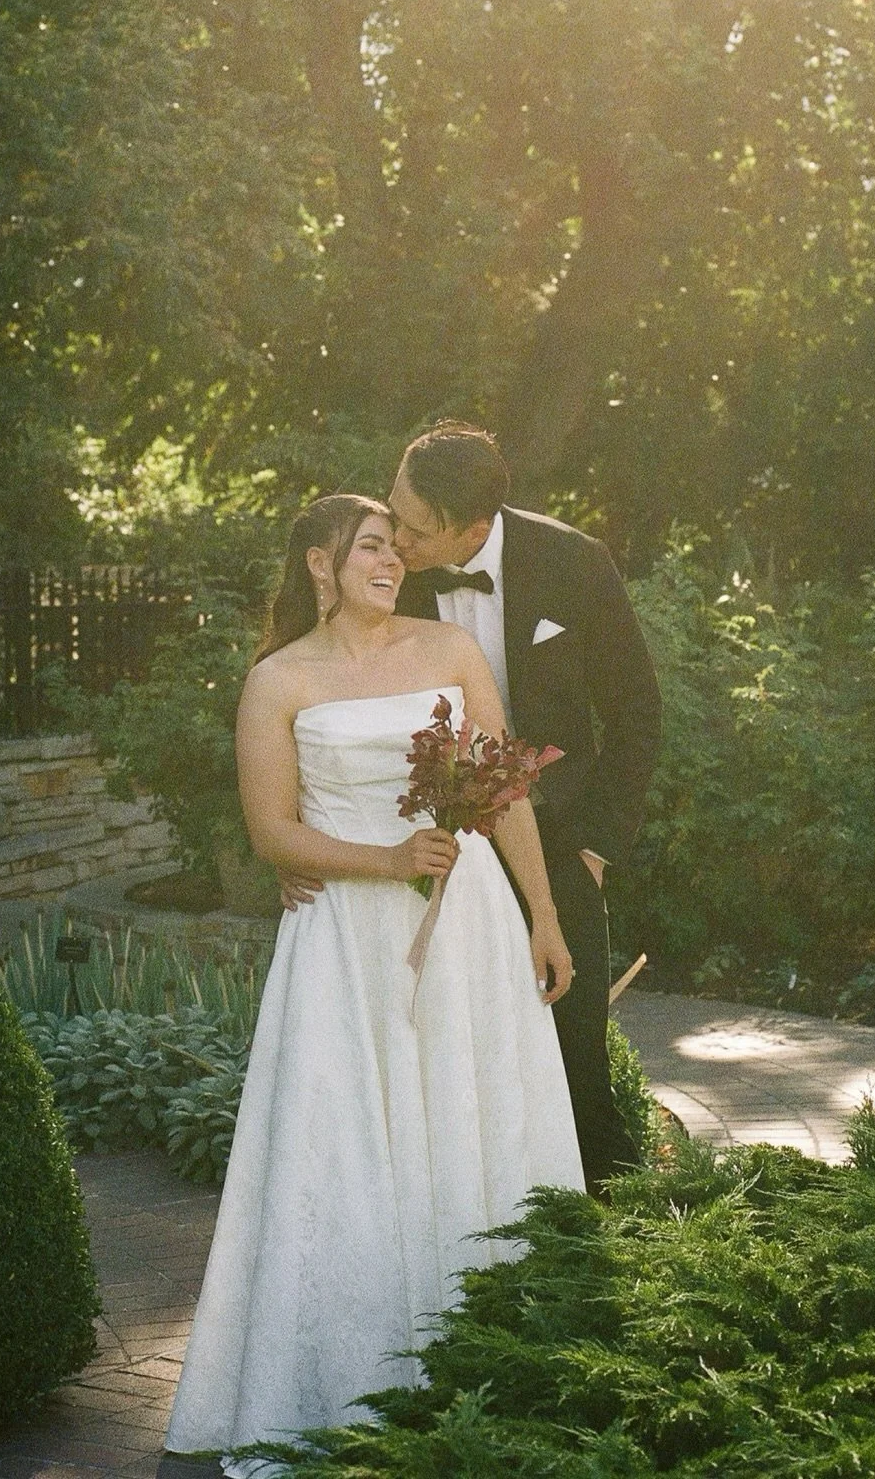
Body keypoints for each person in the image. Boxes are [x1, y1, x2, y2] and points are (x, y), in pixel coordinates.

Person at [164, 494, 583, 1467]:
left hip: (467, 925)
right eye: (370, 548)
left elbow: (504, 792)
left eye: (398, 548)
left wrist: (544, 914)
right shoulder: (277, 681)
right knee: (346, 1143)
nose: (392, 562)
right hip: (344, 943)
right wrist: (385, 862)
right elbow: (273, 831)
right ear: (320, 563)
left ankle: (498, 1369)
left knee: (473, 1121)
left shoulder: (450, 652)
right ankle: (351, 1381)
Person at [280, 424, 662, 1190]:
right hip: (424, 842)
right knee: (441, 1052)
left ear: (473, 528)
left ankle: (605, 1226)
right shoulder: (386, 573)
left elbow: (636, 715)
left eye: (414, 530)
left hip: (557, 834)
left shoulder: (575, 562)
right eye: (392, 514)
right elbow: (317, 699)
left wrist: (594, 848)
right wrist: (299, 844)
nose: (395, 542)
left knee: (573, 1049)